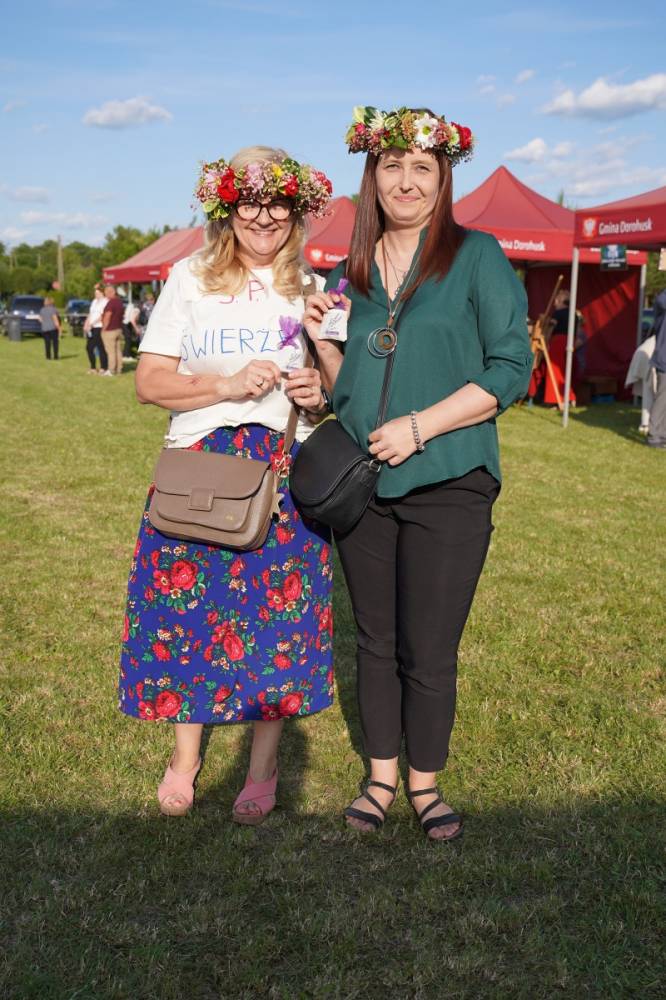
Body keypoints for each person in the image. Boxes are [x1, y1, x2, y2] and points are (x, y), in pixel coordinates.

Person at [304, 106, 532, 842]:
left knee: (428, 647)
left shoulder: (476, 256)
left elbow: (511, 367)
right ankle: (379, 777)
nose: (405, 182)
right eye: (392, 167)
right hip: (366, 487)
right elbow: (346, 394)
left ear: (442, 180)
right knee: (375, 640)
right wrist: (323, 346)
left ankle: (425, 784)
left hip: (451, 480)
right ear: (372, 178)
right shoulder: (350, 275)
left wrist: (421, 426)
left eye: (421, 169)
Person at [118, 146, 335, 821]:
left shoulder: (314, 287)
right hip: (200, 467)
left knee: (277, 623)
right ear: (227, 207)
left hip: (282, 469)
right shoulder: (190, 278)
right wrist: (226, 385)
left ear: (296, 210)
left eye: (278, 203)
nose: (263, 217)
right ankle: (185, 759)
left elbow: (335, 388)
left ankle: (262, 768)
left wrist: (320, 390)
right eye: (250, 202)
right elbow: (148, 383)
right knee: (185, 614)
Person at [647, 288, 666, 449]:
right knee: (662, 398)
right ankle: (654, 435)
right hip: (664, 357)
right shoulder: (662, 299)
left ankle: (662, 434)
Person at [83, 283, 109, 373]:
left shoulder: (105, 301)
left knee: (101, 347)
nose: (96, 295)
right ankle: (93, 367)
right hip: (91, 328)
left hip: (99, 327)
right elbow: (91, 314)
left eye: (97, 293)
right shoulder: (94, 301)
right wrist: (86, 323)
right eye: (95, 293)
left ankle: (103, 367)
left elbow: (102, 315)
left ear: (102, 293)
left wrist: (93, 323)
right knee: (89, 347)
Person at [101, 283, 125, 376]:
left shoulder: (111, 303)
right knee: (118, 350)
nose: (105, 294)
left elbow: (108, 316)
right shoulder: (119, 302)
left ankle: (111, 370)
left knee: (110, 351)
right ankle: (119, 369)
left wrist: (104, 328)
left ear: (112, 292)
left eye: (107, 292)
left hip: (110, 330)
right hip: (118, 329)